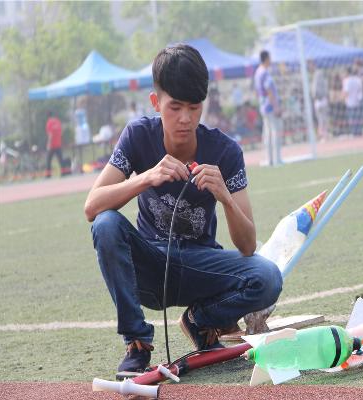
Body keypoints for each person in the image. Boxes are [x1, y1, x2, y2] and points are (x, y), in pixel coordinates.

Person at [84, 44, 282, 373]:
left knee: (268, 277)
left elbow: (248, 245)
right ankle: (137, 343)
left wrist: (225, 197)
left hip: (200, 266)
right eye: (175, 107)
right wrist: (146, 178)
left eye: (194, 107)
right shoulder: (137, 135)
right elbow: (92, 206)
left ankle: (200, 320)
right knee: (106, 224)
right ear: (155, 102)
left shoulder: (225, 151)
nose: (185, 118)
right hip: (150, 266)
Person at [254, 50, 283, 166]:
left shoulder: (257, 72)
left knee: (267, 133)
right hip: (269, 106)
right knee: (275, 132)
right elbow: (269, 90)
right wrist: (275, 107)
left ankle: (270, 159)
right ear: (266, 59)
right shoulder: (265, 73)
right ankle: (277, 159)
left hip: (263, 106)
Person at [45, 111, 67, 178]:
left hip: (52, 145)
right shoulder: (57, 121)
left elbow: (50, 135)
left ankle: (48, 174)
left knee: (48, 160)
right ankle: (64, 172)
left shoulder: (49, 123)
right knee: (60, 159)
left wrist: (48, 144)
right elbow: (61, 132)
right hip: (58, 143)